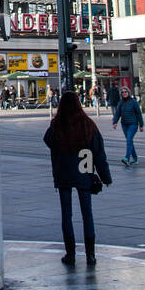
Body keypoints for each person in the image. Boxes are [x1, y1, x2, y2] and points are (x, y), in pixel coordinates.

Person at [43, 90, 112, 267]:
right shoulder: (88, 124)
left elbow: (48, 140)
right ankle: (90, 255)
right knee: (87, 213)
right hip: (85, 170)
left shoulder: (57, 125)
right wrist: (105, 177)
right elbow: (99, 153)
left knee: (66, 214)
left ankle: (70, 254)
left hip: (64, 172)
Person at [112, 84, 144, 165]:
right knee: (129, 141)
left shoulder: (133, 102)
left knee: (129, 140)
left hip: (133, 124)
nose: (124, 93)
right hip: (124, 125)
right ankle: (135, 158)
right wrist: (115, 122)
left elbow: (138, 113)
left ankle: (127, 158)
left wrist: (141, 125)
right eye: (122, 92)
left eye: (125, 92)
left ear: (128, 92)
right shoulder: (121, 102)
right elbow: (117, 113)